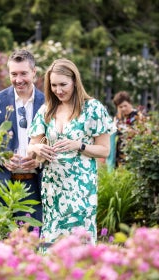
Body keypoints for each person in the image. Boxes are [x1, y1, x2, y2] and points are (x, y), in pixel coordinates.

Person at [27, 58, 115, 245]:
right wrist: (37, 147)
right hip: (52, 189)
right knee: (52, 245)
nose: (58, 90)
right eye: (53, 85)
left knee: (78, 244)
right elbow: (30, 147)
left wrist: (79, 145)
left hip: (80, 191)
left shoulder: (92, 108)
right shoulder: (47, 109)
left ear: (75, 81)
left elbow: (105, 150)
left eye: (63, 85)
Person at [0, 49, 45, 224]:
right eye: (13, 74)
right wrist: (2, 158)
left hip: (35, 186)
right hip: (0, 185)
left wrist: (40, 160)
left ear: (34, 72)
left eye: (23, 73)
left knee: (31, 243)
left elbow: (56, 141)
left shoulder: (48, 103)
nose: (18, 79)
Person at [112, 91, 146, 167]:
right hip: (120, 152)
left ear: (130, 103)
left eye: (125, 105)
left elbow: (144, 133)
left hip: (135, 151)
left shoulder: (138, 115)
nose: (123, 108)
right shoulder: (117, 118)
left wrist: (131, 131)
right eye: (120, 107)